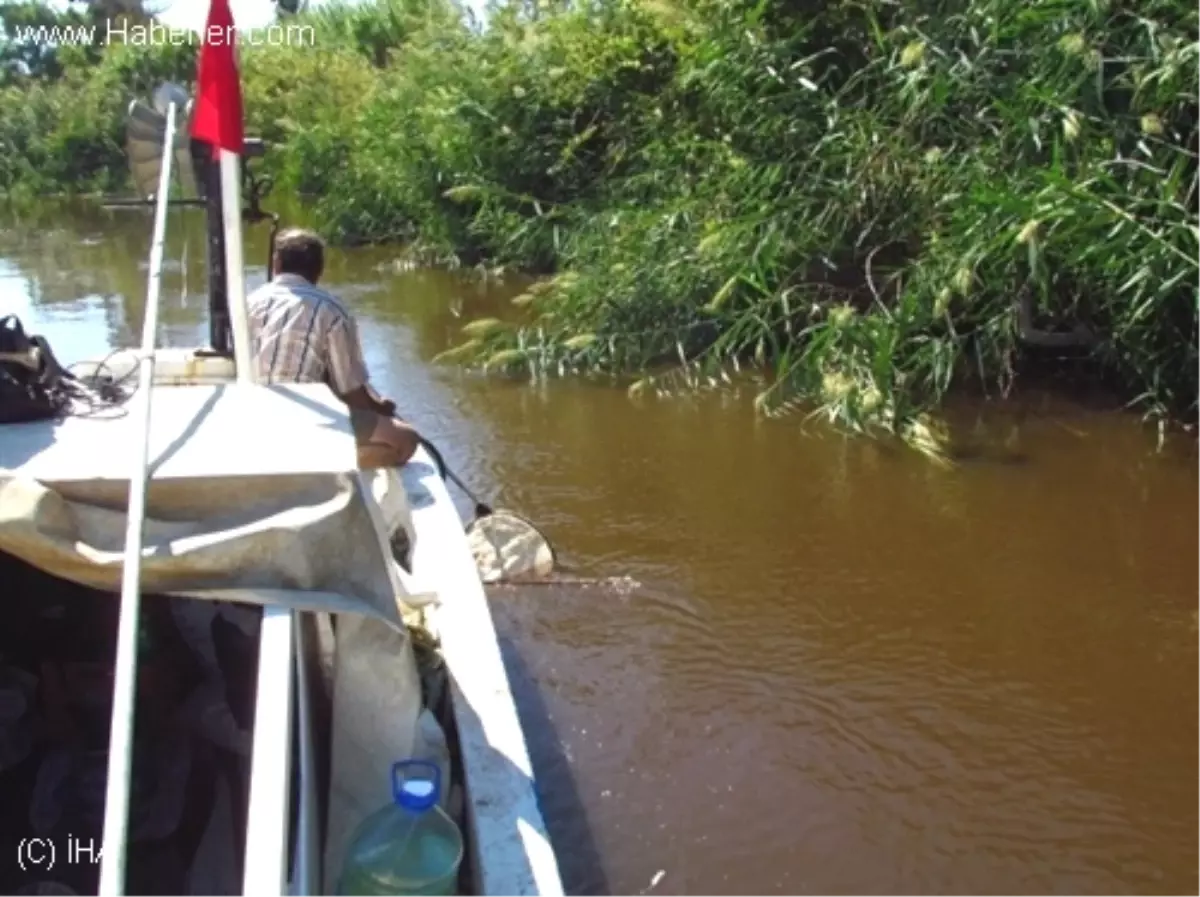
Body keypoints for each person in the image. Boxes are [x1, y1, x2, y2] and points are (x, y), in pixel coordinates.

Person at [246, 227, 420, 469]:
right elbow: (351, 392)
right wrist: (380, 409)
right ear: (319, 270)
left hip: (248, 417)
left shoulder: (247, 303)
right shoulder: (332, 310)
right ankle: (325, 462)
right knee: (407, 439)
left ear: (276, 264)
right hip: (305, 423)